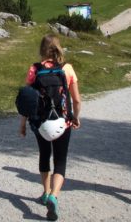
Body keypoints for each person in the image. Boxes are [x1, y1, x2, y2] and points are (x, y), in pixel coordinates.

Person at [19, 34, 82, 221]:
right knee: (60, 160)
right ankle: (54, 196)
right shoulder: (67, 69)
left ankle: (45, 192)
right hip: (63, 122)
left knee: (44, 154)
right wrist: (75, 117)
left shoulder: (35, 69)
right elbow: (77, 100)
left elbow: (27, 100)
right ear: (59, 48)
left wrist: (22, 124)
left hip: (40, 123)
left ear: (41, 49)